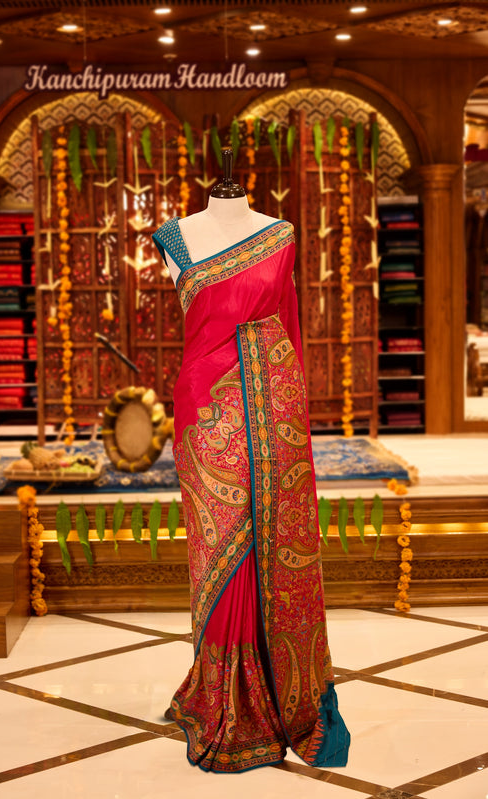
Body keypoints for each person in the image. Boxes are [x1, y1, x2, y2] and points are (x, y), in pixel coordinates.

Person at [152, 163, 350, 774]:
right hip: (204, 406)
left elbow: (287, 323)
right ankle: (223, 696)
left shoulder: (282, 233)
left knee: (272, 544)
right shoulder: (174, 237)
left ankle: (280, 685)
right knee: (218, 548)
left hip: (273, 400)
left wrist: (292, 406)